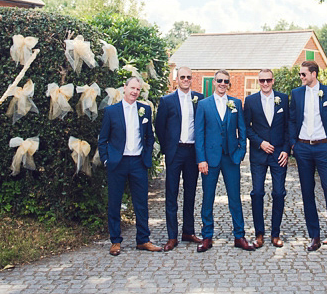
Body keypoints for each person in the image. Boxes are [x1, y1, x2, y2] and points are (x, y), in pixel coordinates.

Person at [97, 76, 162, 256]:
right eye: (132, 88)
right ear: (124, 88)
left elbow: (149, 137)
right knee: (115, 202)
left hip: (138, 163)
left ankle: (143, 239)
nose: (134, 92)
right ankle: (115, 241)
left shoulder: (145, 110)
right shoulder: (111, 112)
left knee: (141, 203)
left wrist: (146, 156)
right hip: (117, 163)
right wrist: (106, 159)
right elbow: (103, 139)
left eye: (138, 89)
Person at [194, 69, 254, 252]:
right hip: (210, 159)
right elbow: (199, 133)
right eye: (219, 80)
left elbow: (242, 130)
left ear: (229, 83)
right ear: (214, 82)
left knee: (235, 198)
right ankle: (207, 236)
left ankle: (239, 236)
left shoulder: (235, 103)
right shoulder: (204, 105)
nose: (222, 83)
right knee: (208, 198)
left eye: (225, 81)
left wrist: (241, 152)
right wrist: (201, 159)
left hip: (230, 158)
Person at [289, 60, 327, 257]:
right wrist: (293, 144)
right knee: (307, 192)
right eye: (301, 75)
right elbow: (292, 120)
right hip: (303, 148)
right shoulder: (296, 94)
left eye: (304, 74)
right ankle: (314, 236)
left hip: (324, 148)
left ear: (314, 74)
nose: (301, 77)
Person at [154, 66, 203, 251]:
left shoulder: (199, 99)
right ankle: (172, 236)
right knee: (171, 193)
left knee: (190, 192)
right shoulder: (167, 101)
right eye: (182, 77)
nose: (185, 79)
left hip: (192, 152)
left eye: (188, 77)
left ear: (192, 79)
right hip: (175, 152)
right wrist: (168, 148)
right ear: (177, 79)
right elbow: (160, 127)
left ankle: (188, 231)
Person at [243, 68, 289, 248]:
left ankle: (275, 234)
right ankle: (259, 233)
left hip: (279, 154)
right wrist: (260, 143)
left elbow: (288, 126)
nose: (265, 83)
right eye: (262, 80)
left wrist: (286, 150)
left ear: (273, 80)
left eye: (268, 80)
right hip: (259, 154)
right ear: (258, 81)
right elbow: (247, 128)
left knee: (279, 192)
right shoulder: (251, 101)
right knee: (257, 193)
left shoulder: (283, 99)